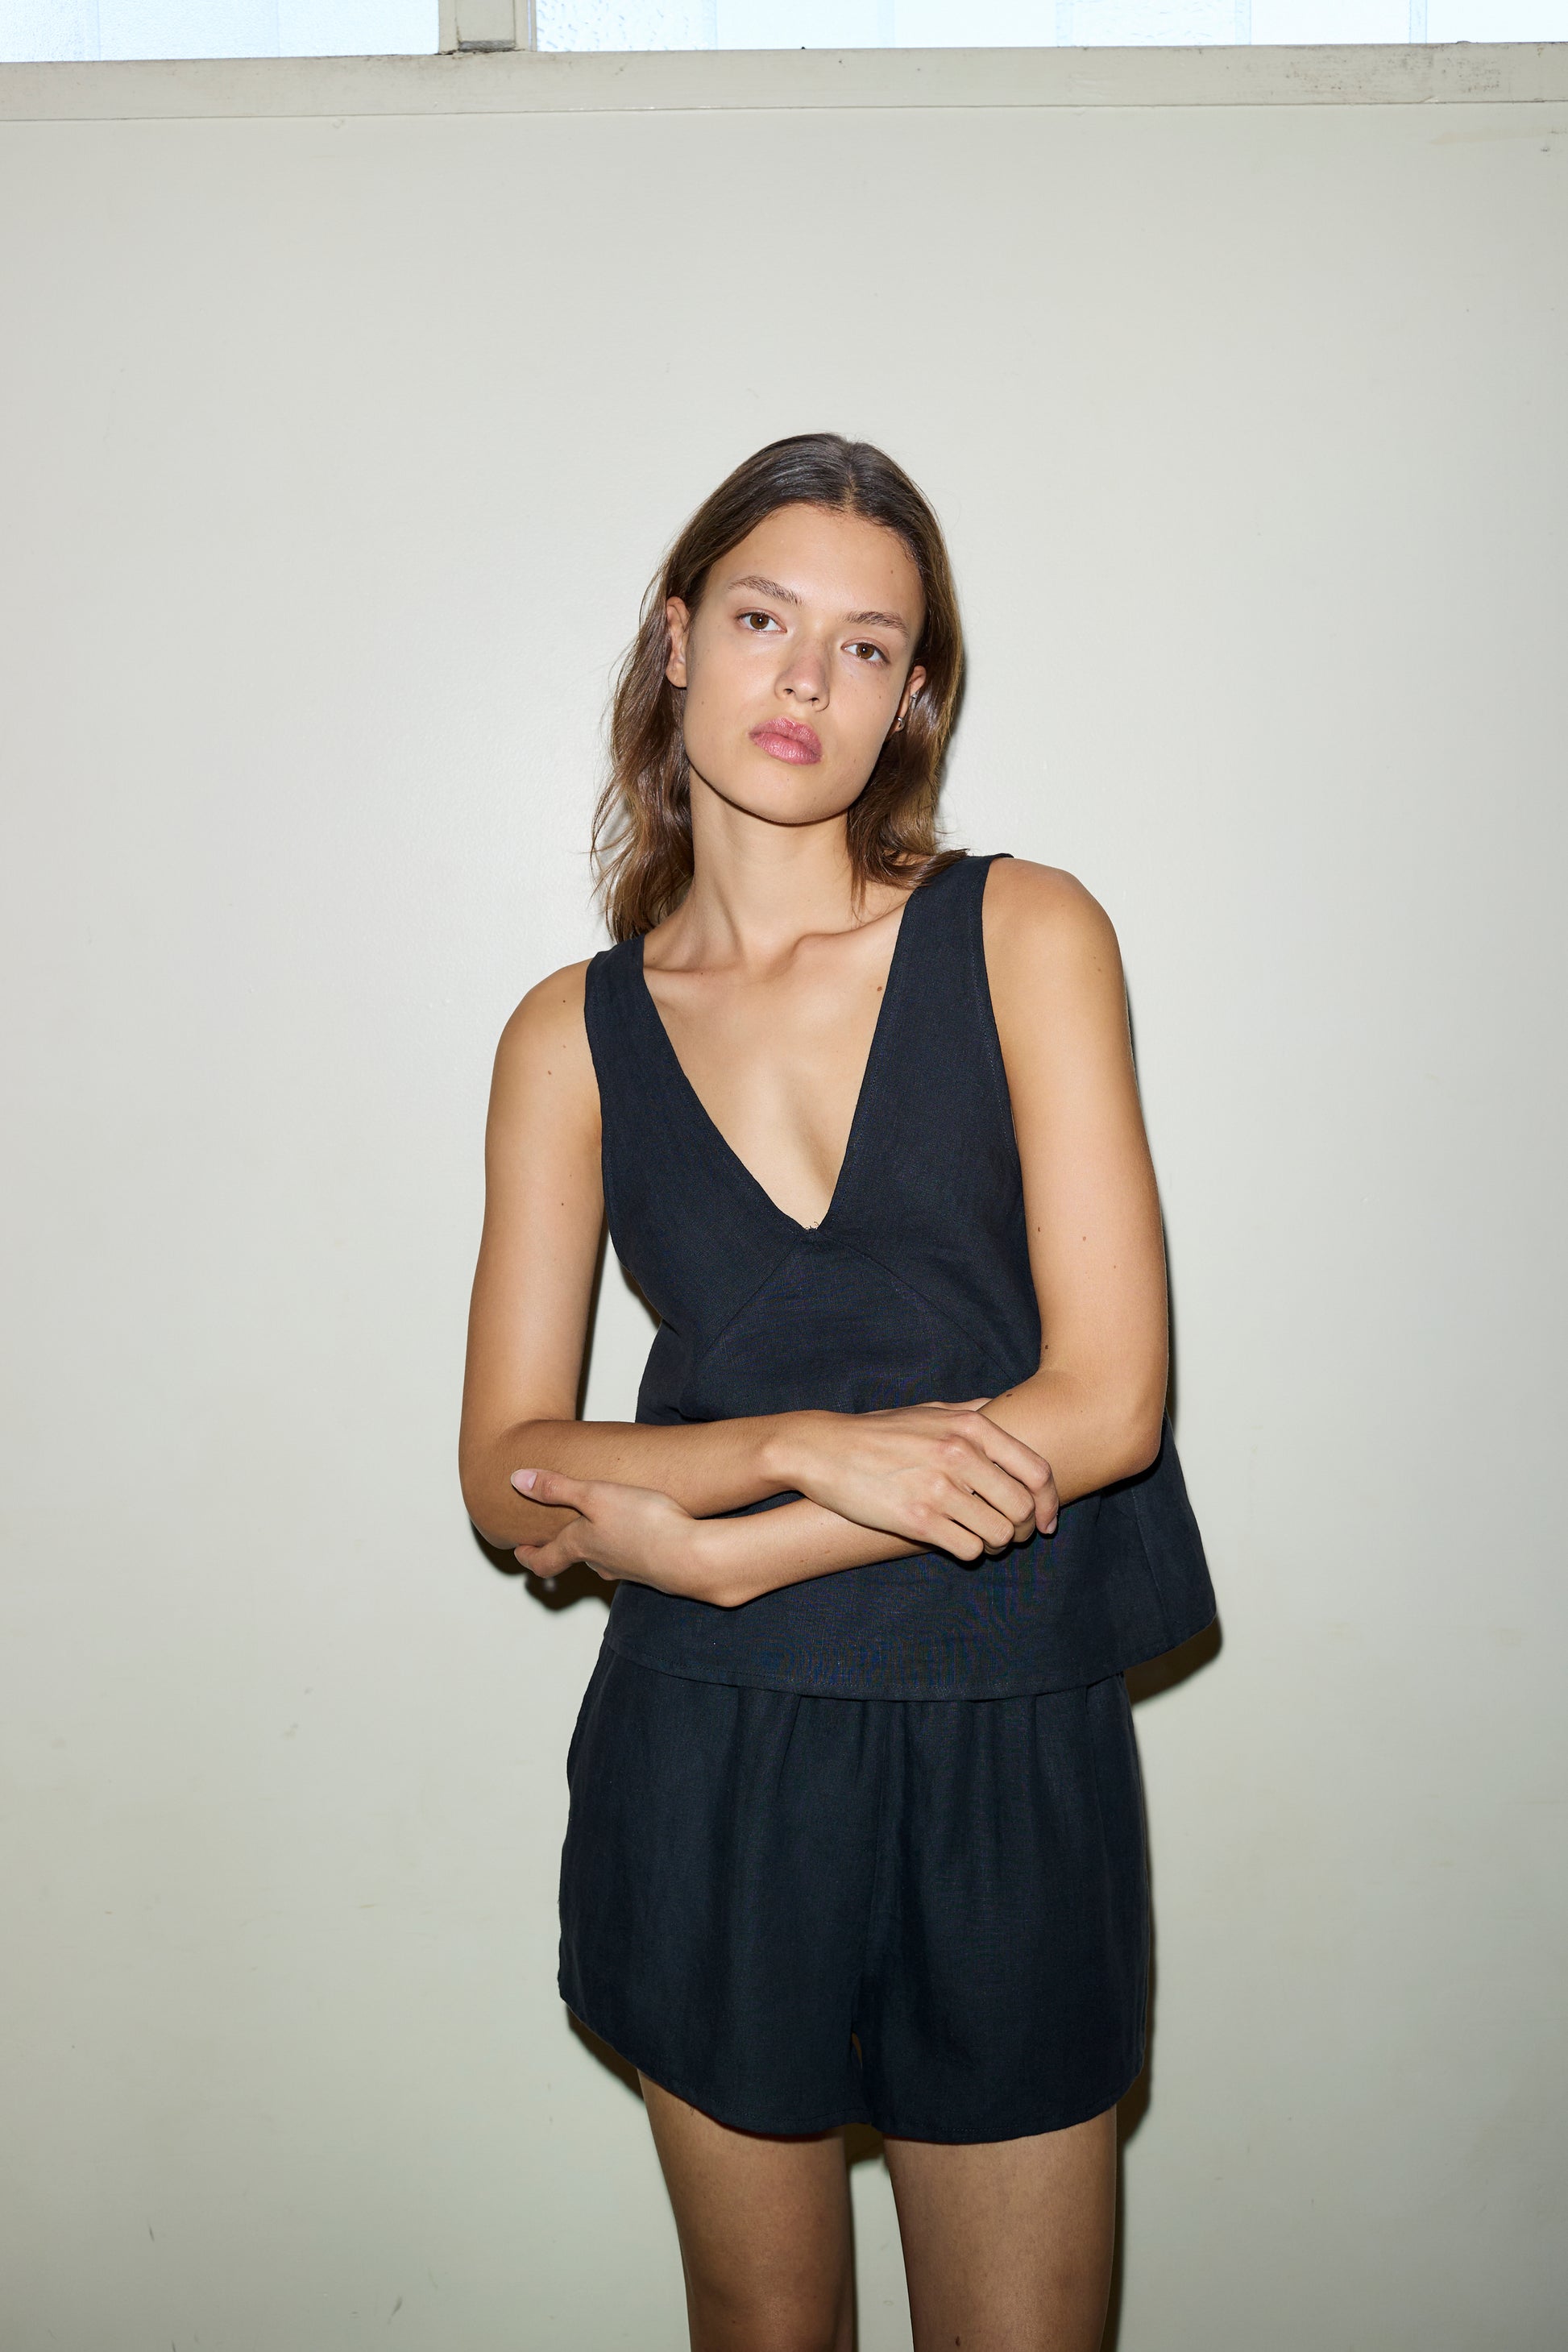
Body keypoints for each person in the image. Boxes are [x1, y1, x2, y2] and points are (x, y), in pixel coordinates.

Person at [458, 433, 1214, 2352]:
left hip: (998, 1733)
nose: (805, 681)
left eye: (867, 646)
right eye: (764, 619)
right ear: (674, 640)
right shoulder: (572, 1032)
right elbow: (509, 1467)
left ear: (914, 697)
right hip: (709, 1763)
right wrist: (800, 1443)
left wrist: (727, 1550)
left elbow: (1111, 1397)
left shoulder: (1028, 929)